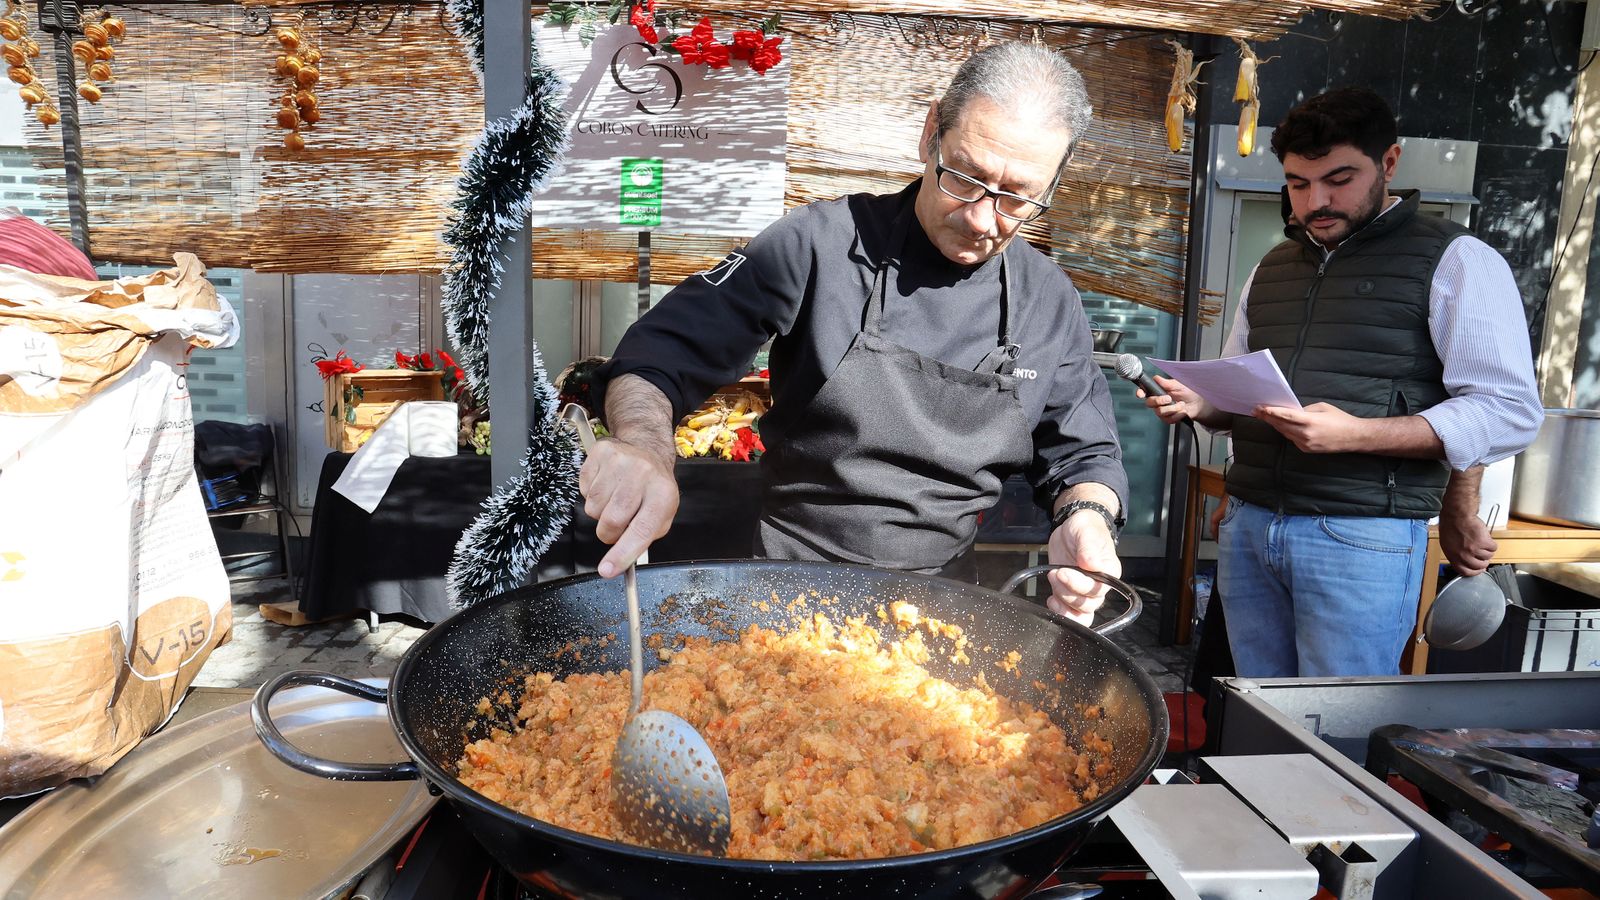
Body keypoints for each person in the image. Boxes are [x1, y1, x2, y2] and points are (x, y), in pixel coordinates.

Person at [583, 42, 1129, 624]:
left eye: (1016, 198)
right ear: (930, 133)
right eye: (965, 177)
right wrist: (645, 445)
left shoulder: (1049, 299)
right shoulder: (816, 245)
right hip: (784, 596)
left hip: (943, 612)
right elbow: (662, 351)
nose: (979, 217)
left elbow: (1083, 451)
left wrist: (1087, 516)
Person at [1142, 87, 1542, 677]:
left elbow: (1507, 411)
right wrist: (1203, 404)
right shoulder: (1271, 267)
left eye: (1339, 178)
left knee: (1331, 734)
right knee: (1256, 715)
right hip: (1251, 524)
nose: (1316, 201)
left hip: (1361, 536)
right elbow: (1245, 397)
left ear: (1389, 163)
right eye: (1299, 184)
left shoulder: (1458, 260)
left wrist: (1357, 435)